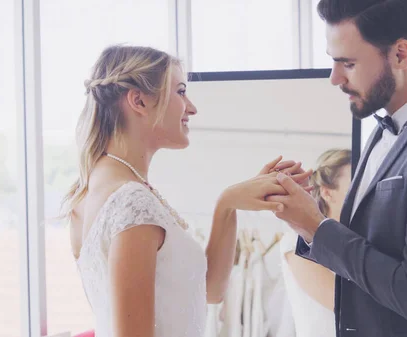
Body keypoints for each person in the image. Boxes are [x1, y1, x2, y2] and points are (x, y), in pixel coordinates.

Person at [267, 1, 407, 336]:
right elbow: (370, 250)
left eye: (348, 63)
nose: (334, 78)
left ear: (401, 54)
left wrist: (318, 227)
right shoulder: (384, 125)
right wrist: (302, 221)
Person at [61, 45, 311, 337]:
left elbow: (211, 290)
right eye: (180, 91)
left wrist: (228, 203)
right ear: (139, 100)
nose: (191, 107)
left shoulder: (88, 194)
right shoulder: (130, 201)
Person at [279, 149, 351, 337]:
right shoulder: (298, 242)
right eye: (354, 183)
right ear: (327, 193)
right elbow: (343, 304)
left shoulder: (356, 242)